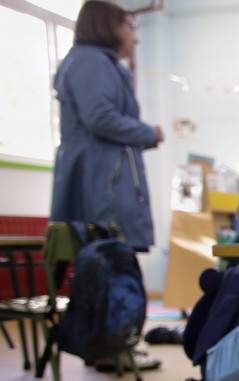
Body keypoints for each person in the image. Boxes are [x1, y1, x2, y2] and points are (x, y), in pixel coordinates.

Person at [50, 0, 165, 251]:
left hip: (105, 171)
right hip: (98, 177)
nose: (136, 39)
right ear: (110, 26)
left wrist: (144, 137)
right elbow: (99, 118)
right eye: (132, 27)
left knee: (112, 260)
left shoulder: (101, 63)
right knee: (104, 256)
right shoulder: (90, 61)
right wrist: (146, 131)